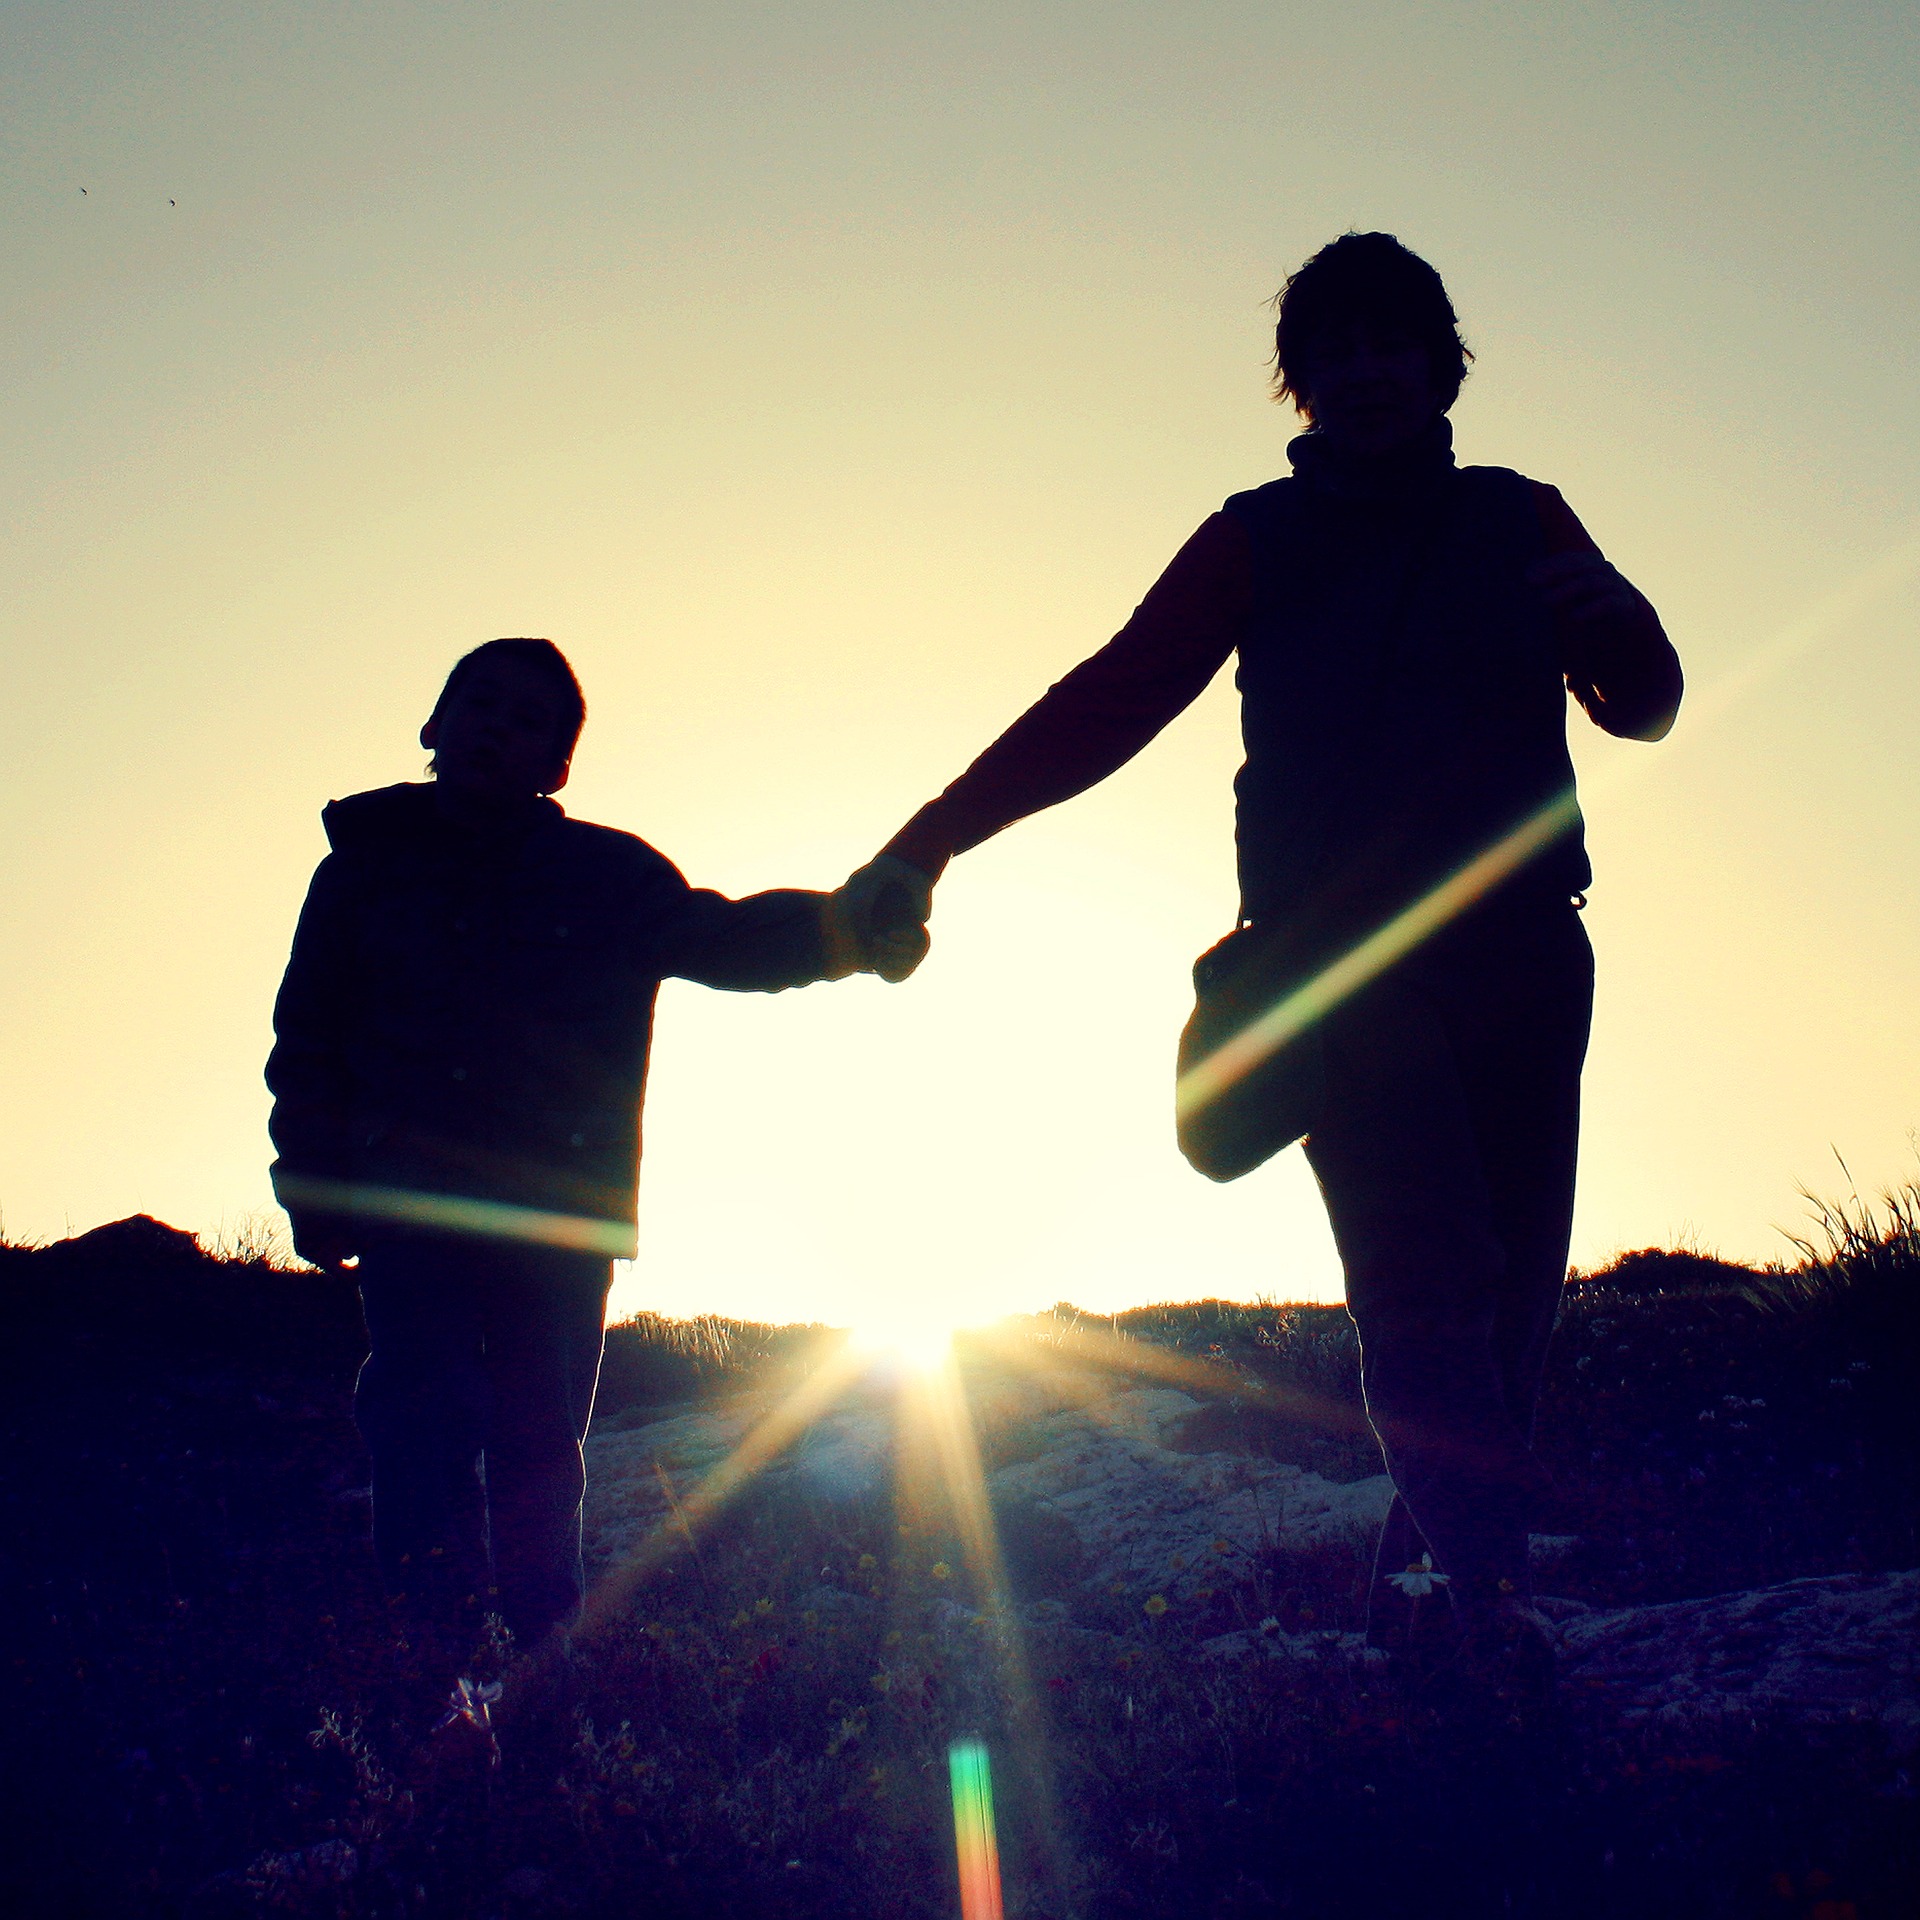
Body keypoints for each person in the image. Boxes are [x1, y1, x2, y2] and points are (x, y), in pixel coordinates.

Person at [845, 233, 1682, 1693]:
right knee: (1427, 1276)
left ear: (1440, 364)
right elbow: (1110, 697)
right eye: (1333, 349)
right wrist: (928, 842)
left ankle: (1423, 1600)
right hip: (1338, 972)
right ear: (1297, 382)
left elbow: (1643, 705)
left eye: (1392, 343)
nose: (1364, 371)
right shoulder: (1252, 539)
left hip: (1528, 956)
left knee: (1510, 1298)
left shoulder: (1522, 515)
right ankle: (1483, 1600)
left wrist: (1632, 634)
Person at [267, 637, 924, 1647]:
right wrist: (314, 1182)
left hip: (560, 1214)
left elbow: (728, 939)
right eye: (478, 702)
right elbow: (307, 1037)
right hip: (412, 1203)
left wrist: (850, 926)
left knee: (539, 1446)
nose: (497, 724)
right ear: (435, 726)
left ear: (559, 767)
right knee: (422, 1418)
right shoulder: (361, 871)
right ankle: (435, 1668)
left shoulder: (607, 878)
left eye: (530, 719)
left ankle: (541, 1667)